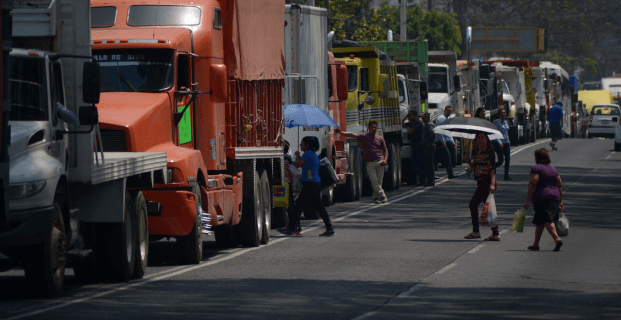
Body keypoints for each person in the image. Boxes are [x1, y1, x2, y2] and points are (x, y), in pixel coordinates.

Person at [283, 136, 335, 236]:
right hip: (314, 183)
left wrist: (292, 161)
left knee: (299, 206)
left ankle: (290, 228)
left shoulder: (307, 154)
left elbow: (297, 165)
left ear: (307, 146)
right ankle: (329, 228)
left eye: (302, 144)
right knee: (318, 207)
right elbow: (301, 164)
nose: (300, 145)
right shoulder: (312, 154)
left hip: (310, 184)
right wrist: (298, 157)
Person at [337, 121, 389, 204]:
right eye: (372, 127)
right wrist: (341, 132)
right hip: (370, 163)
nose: (374, 129)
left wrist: (385, 160)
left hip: (380, 162)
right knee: (374, 181)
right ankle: (383, 196)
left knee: (379, 182)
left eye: (375, 127)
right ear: (368, 128)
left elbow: (385, 150)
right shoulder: (364, 137)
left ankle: (375, 197)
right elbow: (352, 134)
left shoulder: (380, 138)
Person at [523, 148, 564, 251]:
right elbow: (560, 184)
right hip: (555, 197)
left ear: (536, 158)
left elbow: (533, 183)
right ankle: (535, 244)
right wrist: (560, 201)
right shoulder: (553, 169)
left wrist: (527, 200)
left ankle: (557, 239)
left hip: (542, 198)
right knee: (540, 221)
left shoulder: (536, 169)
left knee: (546, 220)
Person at [464, 132, 500, 241]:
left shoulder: (489, 153)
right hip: (480, 182)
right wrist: (469, 162)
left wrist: (492, 184)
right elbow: (476, 170)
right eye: (478, 138)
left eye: (482, 138)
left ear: (487, 140)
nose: (480, 140)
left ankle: (476, 231)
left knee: (473, 204)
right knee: (488, 209)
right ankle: (495, 233)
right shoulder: (477, 152)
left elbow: (492, 170)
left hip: (486, 182)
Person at [435, 106, 456, 179]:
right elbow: (439, 131)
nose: (449, 112)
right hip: (440, 141)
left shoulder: (447, 119)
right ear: (444, 110)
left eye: (450, 111)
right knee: (447, 157)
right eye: (448, 110)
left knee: (436, 158)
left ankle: (431, 175)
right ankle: (450, 174)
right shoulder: (441, 119)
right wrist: (443, 142)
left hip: (444, 141)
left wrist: (452, 141)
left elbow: (448, 132)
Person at [404, 111, 425, 185]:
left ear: (416, 116)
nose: (410, 117)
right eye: (409, 116)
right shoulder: (412, 123)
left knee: (419, 163)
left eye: (411, 115)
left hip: (419, 146)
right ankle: (421, 179)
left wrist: (408, 129)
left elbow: (411, 132)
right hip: (414, 146)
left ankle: (423, 180)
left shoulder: (418, 123)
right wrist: (406, 116)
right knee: (413, 163)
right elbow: (402, 123)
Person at [465, 107, 486, 179]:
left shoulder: (485, 121)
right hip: (476, 142)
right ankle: (475, 173)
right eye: (482, 112)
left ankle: (472, 170)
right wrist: (469, 143)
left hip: (483, 142)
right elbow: (472, 132)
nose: (484, 113)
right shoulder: (476, 121)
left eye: (484, 112)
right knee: (478, 158)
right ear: (479, 113)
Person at [493, 109, 512, 181]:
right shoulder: (496, 122)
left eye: (504, 113)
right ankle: (492, 168)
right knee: (501, 161)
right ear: (499, 114)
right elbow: (494, 133)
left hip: (506, 142)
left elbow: (506, 132)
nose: (503, 114)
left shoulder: (506, 122)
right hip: (500, 143)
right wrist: (499, 142)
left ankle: (506, 175)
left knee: (508, 159)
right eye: (502, 113)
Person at [421, 113, 436, 186]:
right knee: (427, 164)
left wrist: (429, 143)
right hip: (427, 147)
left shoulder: (429, 125)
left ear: (428, 117)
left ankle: (431, 181)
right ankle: (429, 180)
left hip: (429, 147)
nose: (423, 119)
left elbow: (432, 133)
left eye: (424, 117)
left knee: (430, 165)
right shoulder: (426, 124)